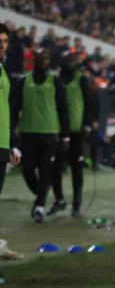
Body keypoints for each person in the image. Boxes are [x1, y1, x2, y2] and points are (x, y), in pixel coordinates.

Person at [10, 49, 70, 223]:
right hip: (27, 133)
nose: (42, 61)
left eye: (45, 58)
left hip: (50, 133)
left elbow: (63, 110)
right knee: (27, 170)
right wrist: (12, 127)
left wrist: (65, 136)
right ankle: (41, 193)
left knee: (45, 170)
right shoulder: (23, 81)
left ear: (49, 61)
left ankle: (39, 206)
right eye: (39, 58)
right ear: (33, 60)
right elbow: (15, 107)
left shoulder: (55, 81)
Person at [48, 51, 97, 219]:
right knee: (55, 168)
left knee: (76, 169)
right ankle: (59, 200)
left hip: (76, 131)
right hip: (58, 131)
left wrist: (87, 125)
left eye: (72, 61)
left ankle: (76, 203)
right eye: (67, 60)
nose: (70, 63)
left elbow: (89, 103)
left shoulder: (81, 79)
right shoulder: (56, 80)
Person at [0, 24, 22, 197]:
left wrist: (13, 143)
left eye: (5, 41)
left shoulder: (3, 71)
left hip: (2, 143)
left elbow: (6, 110)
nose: (2, 45)